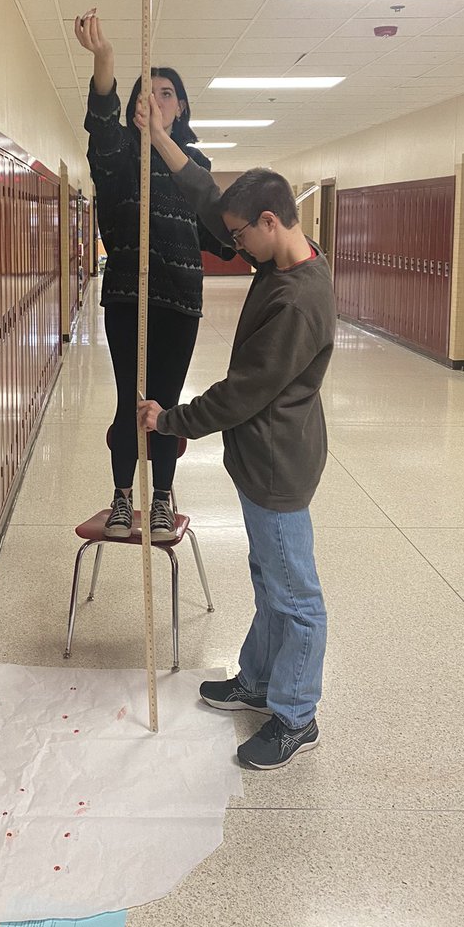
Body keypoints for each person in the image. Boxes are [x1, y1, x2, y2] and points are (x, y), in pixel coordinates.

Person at [136, 92, 336, 771]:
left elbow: (244, 393)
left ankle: (296, 715)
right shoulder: (287, 256)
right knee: (270, 577)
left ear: (271, 221)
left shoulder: (296, 300)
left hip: (278, 467)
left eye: (242, 237)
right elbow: (206, 197)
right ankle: (258, 679)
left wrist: (171, 420)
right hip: (265, 460)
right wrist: (162, 138)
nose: (232, 249)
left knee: (295, 592)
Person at [74, 8, 234, 542]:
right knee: (127, 401)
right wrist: (105, 62)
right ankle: (123, 497)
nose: (158, 99)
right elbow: (101, 126)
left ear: (181, 106)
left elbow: (222, 237)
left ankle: (161, 497)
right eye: (149, 92)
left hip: (179, 302)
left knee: (162, 404)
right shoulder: (119, 158)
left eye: (167, 92)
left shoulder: (194, 166)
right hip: (126, 297)